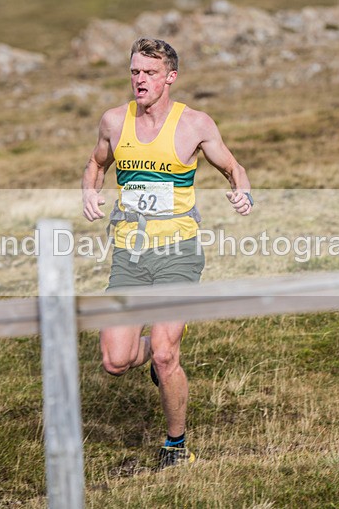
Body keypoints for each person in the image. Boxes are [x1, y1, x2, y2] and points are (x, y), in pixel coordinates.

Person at [81, 37, 253, 469]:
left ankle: (175, 446)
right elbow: (97, 163)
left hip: (179, 251)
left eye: (150, 73)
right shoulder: (114, 121)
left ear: (170, 77)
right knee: (115, 361)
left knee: (164, 352)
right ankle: (158, 347)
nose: (140, 80)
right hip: (130, 254)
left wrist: (242, 192)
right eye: (135, 72)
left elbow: (232, 167)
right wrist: (89, 193)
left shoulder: (195, 124)